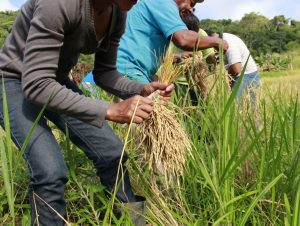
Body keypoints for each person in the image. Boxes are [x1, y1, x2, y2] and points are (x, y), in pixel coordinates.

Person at [0, 0, 174, 225]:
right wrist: (110, 109)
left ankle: (134, 221)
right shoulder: (58, 4)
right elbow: (36, 84)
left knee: (112, 153)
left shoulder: (117, 13)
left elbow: (105, 73)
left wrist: (141, 88)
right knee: (50, 171)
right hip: (12, 82)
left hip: (55, 82)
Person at [116, 0, 228, 84]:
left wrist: (150, 77)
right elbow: (183, 39)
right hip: (128, 71)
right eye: (191, 3)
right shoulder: (163, 2)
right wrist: (216, 41)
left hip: (129, 71)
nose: (190, 9)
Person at [206, 30, 261, 102]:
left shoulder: (229, 43)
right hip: (244, 75)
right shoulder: (220, 40)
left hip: (245, 76)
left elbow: (236, 69)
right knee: (247, 108)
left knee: (236, 106)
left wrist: (223, 76)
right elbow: (210, 59)